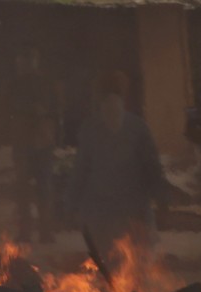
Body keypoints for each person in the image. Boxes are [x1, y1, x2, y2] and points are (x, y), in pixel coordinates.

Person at [66, 70, 167, 276]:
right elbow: (153, 168)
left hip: (102, 213)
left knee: (110, 267)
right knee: (136, 267)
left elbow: (80, 171)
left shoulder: (90, 128)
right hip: (133, 210)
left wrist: (71, 203)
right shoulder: (138, 127)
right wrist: (161, 197)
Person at [8, 45, 58, 244]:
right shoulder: (15, 85)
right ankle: (25, 232)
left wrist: (43, 114)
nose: (23, 65)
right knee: (23, 190)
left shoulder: (45, 83)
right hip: (22, 142)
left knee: (44, 188)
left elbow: (54, 109)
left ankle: (45, 231)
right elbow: (9, 109)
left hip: (42, 141)